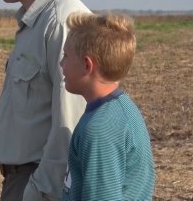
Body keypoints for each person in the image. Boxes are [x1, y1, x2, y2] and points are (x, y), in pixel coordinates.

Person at [0, 0, 90, 201]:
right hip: (23, 180)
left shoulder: (63, 21)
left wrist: (40, 191)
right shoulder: (37, 21)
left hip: (39, 186)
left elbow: (71, 125)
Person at [60, 12, 155, 200]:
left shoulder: (101, 128)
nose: (61, 63)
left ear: (87, 65)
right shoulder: (119, 108)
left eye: (66, 56)